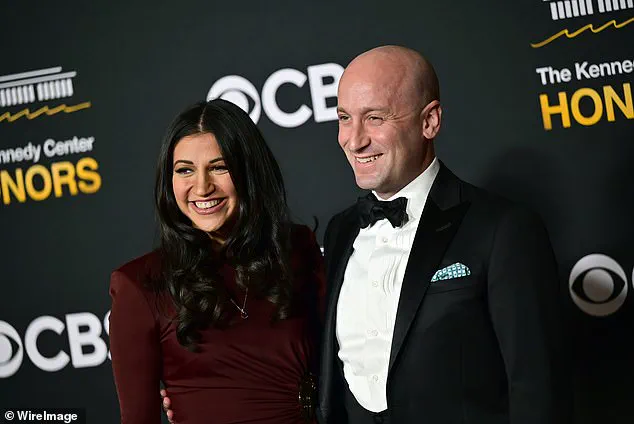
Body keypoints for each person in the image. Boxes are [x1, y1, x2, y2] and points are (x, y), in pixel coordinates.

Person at [317, 45, 570, 424]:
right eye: (344, 118)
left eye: (374, 118)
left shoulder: (503, 229)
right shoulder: (340, 230)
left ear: (430, 121)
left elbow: (537, 389)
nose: (354, 140)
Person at [108, 99, 324, 424]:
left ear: (249, 171)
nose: (202, 187)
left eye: (219, 167)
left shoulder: (296, 248)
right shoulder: (140, 284)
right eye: (185, 170)